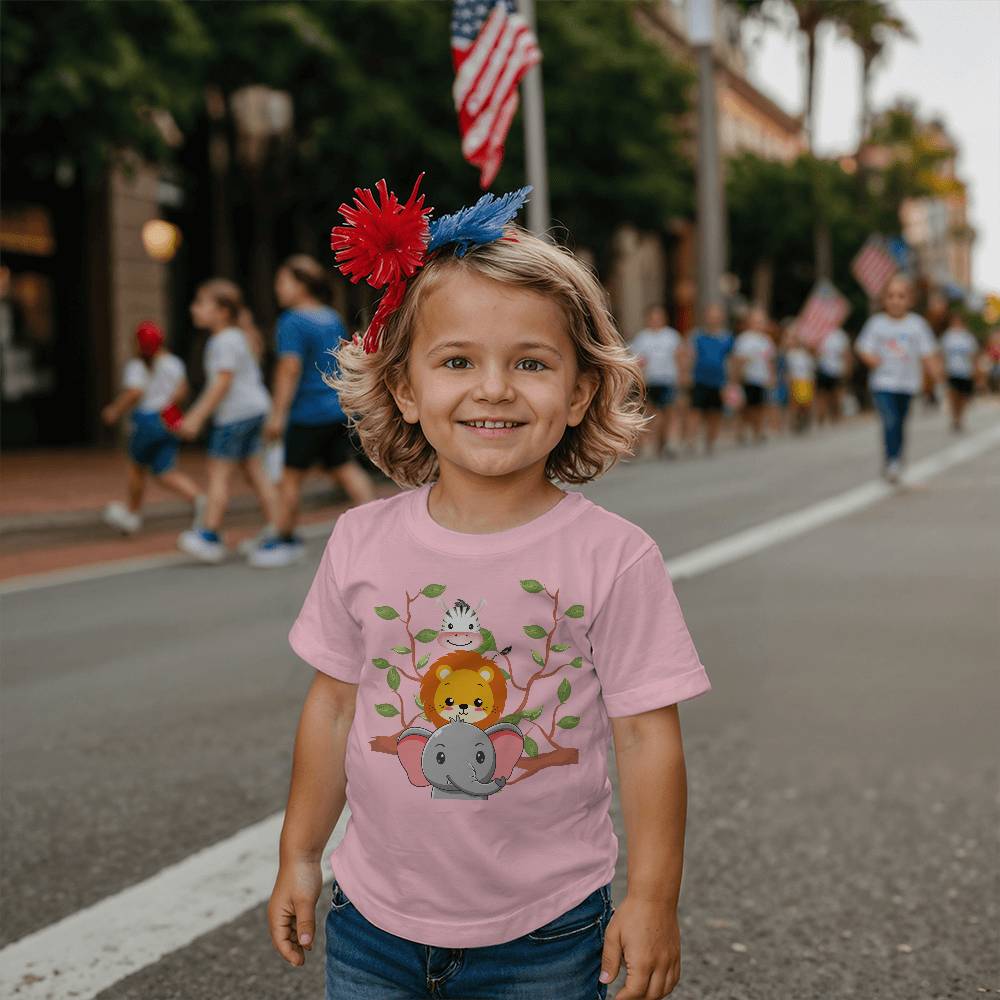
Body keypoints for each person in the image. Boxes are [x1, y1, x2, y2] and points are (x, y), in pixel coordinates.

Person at [267, 179, 712, 1000]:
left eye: (532, 363)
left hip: (545, 931)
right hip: (371, 920)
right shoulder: (361, 539)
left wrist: (652, 899)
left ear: (581, 392)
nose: (495, 388)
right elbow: (333, 707)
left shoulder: (614, 557)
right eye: (458, 361)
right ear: (405, 386)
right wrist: (299, 853)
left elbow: (649, 739)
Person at [249, 256, 376, 568]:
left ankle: (284, 538)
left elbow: (289, 369)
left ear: (301, 285)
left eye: (283, 282)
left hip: (306, 414)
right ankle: (379, 531)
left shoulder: (292, 321)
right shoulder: (330, 317)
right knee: (346, 470)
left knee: (289, 479)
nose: (278, 289)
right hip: (335, 408)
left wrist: (278, 414)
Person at [176, 279, 279, 562]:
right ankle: (277, 529)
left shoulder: (224, 341)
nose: (193, 309)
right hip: (254, 410)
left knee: (218, 473)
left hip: (235, 415)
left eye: (200, 303)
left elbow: (222, 383)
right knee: (255, 472)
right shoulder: (236, 337)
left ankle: (208, 534)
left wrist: (195, 417)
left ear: (222, 311)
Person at [101, 321, 203, 535]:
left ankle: (133, 514)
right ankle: (200, 499)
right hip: (169, 418)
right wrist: (169, 407)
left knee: (137, 468)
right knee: (165, 471)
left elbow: (134, 393)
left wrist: (114, 410)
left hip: (147, 420)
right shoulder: (174, 363)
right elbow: (182, 391)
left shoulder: (137, 365)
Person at [855, 275, 941, 483]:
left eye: (901, 296)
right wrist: (871, 359)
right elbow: (862, 346)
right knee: (890, 420)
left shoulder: (917, 325)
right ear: (884, 300)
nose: (895, 300)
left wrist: (936, 375)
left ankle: (896, 456)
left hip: (907, 384)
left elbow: (928, 353)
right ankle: (892, 460)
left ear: (910, 300)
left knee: (900, 422)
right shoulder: (876, 324)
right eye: (891, 296)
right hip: (883, 383)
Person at [630, 304, 683, 458]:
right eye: (653, 317)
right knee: (648, 414)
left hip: (667, 379)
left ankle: (665, 443)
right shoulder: (642, 338)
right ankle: (640, 444)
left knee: (668, 413)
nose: (656, 320)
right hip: (650, 381)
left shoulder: (671, 336)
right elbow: (638, 361)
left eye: (658, 317)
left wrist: (680, 376)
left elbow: (679, 357)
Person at [684, 302, 734, 456]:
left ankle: (710, 441)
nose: (713, 319)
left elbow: (730, 360)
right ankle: (691, 441)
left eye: (716, 316)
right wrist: (686, 373)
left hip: (719, 381)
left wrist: (731, 381)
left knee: (715, 412)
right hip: (699, 378)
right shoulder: (697, 335)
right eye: (711, 316)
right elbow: (690, 355)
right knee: (695, 410)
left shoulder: (726, 337)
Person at [731, 305, 775, 445]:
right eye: (756, 321)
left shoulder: (767, 341)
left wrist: (771, 376)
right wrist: (736, 378)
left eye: (761, 321)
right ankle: (741, 431)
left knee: (759, 407)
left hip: (761, 378)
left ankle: (758, 431)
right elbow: (737, 360)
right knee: (745, 407)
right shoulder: (744, 339)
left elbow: (770, 361)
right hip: (747, 378)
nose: (759, 324)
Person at [940, 310, 980, 433]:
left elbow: (973, 354)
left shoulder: (967, 337)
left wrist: (975, 369)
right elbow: (942, 354)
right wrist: (942, 369)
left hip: (965, 371)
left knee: (963, 397)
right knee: (953, 395)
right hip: (952, 370)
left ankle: (960, 416)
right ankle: (955, 418)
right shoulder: (947, 336)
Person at [814, 325, 851, 426]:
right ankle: (821, 416)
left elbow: (846, 353)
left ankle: (836, 415)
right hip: (822, 369)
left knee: (836, 394)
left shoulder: (840, 335)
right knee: (822, 394)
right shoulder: (819, 332)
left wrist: (847, 368)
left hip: (837, 370)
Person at [785, 327, 816, 434]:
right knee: (795, 404)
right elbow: (788, 370)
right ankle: (795, 423)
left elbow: (811, 370)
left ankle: (805, 421)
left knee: (806, 404)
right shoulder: (790, 354)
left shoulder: (806, 355)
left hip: (806, 381)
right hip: (795, 381)